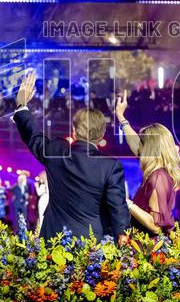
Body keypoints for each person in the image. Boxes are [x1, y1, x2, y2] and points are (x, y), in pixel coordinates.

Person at [13, 72, 129, 240]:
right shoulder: (110, 166)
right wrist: (122, 235)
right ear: (102, 135)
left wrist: (21, 106)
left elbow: (33, 136)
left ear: (74, 131)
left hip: (54, 242)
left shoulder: (56, 152)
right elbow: (118, 209)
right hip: (92, 247)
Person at [114, 91, 180, 235]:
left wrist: (128, 204)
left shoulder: (158, 178)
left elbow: (155, 225)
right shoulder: (156, 173)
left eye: (142, 143)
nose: (139, 147)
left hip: (150, 250)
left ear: (150, 148)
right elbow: (135, 144)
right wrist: (121, 117)